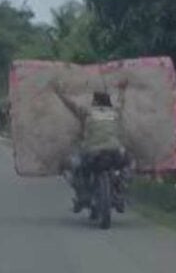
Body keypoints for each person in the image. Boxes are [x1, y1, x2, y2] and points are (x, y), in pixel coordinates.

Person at [50, 80, 133, 215]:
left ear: (95, 103)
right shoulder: (115, 112)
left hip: (92, 155)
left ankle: (81, 197)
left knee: (74, 168)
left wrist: (60, 94)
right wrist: (123, 89)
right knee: (129, 164)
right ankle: (122, 188)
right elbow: (122, 102)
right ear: (109, 103)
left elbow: (71, 105)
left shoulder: (87, 112)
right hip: (114, 154)